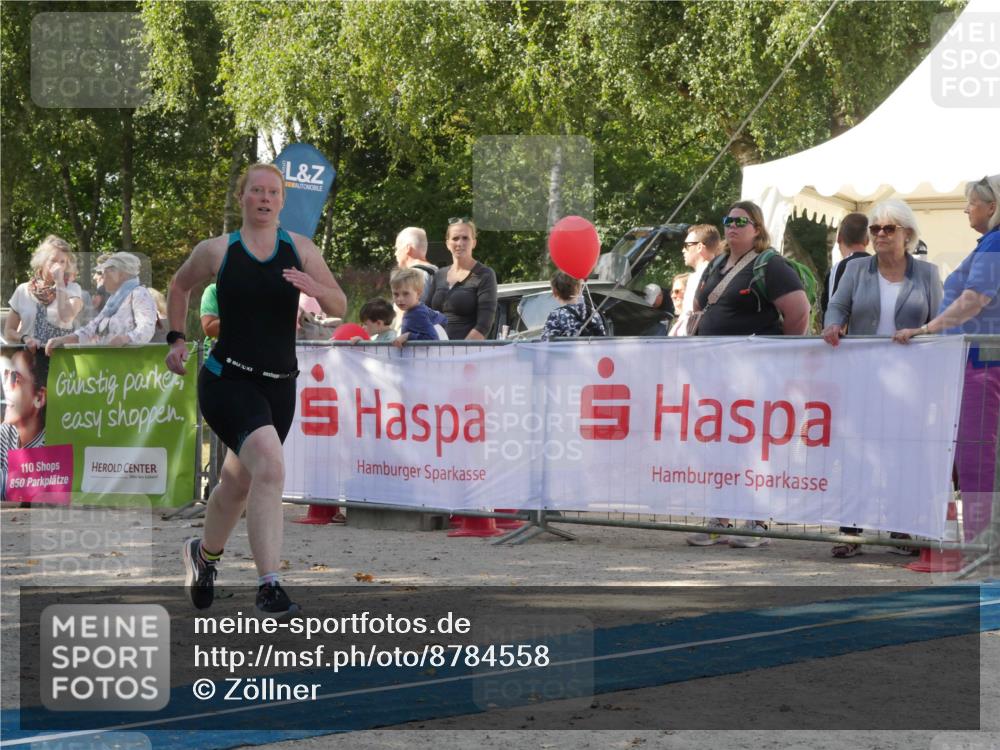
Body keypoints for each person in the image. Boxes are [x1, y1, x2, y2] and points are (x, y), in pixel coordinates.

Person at [165, 163, 346, 617]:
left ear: (283, 202)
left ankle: (203, 557)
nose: (265, 199)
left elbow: (340, 304)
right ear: (242, 197)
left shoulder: (300, 248)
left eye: (273, 193)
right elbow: (179, 285)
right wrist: (176, 339)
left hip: (280, 386)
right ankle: (269, 585)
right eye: (256, 191)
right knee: (269, 465)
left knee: (237, 482)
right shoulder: (217, 250)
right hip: (228, 379)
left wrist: (316, 288)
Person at [687, 201, 810, 549]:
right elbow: (700, 307)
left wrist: (778, 354)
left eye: (742, 221)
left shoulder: (771, 265)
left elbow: (799, 310)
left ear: (757, 228)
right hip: (716, 374)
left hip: (756, 375)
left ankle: (756, 522)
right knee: (719, 446)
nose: (733, 226)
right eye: (729, 220)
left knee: (754, 447)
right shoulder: (715, 266)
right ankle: (719, 520)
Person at [894, 174, 1000, 546]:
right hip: (979, 360)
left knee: (976, 452)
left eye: (972, 202)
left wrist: (928, 328)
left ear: (992, 206)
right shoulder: (989, 244)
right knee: (975, 452)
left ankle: (981, 540)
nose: (966, 208)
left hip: (982, 363)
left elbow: (974, 300)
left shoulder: (995, 243)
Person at [822, 200, 942, 348]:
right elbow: (837, 306)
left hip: (912, 364)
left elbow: (939, 323)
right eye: (875, 229)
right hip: (862, 362)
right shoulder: (855, 268)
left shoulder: (929, 273)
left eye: (889, 229)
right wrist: (833, 324)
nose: (880, 233)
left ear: (908, 233)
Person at [44, 252, 158, 355]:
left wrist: (127, 338)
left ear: (122, 275)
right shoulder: (114, 300)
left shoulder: (139, 293)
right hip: (109, 366)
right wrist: (62, 339)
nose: (102, 277)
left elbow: (147, 328)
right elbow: (90, 329)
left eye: (106, 272)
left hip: (131, 368)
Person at [4, 235, 84, 350]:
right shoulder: (23, 290)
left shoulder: (73, 289)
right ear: (42, 261)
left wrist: (60, 283)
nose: (58, 266)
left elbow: (66, 317)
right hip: (29, 360)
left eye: (63, 262)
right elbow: (9, 331)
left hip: (61, 359)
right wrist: (25, 338)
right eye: (53, 260)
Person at [426, 218, 497, 340]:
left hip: (465, 354)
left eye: (465, 238)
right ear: (447, 243)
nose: (460, 243)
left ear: (474, 242)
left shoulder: (485, 275)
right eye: (455, 238)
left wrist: (459, 352)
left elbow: (483, 326)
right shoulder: (439, 274)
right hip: (435, 352)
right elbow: (425, 314)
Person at [0, 348, 48, 502]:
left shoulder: (51, 441)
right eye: (5, 376)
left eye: (16, 378)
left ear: (39, 398)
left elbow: (37, 492)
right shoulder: (6, 432)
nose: (6, 387)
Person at [671, 224, 722, 337]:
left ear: (699, 247)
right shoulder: (696, 277)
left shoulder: (714, 275)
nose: (683, 250)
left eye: (687, 245)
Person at [820, 212, 870, 319]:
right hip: (879, 334)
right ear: (867, 240)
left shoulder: (840, 268)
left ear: (839, 238)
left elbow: (832, 309)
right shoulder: (880, 265)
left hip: (848, 334)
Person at [541, 271, 607, 340]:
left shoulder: (556, 315)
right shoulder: (593, 313)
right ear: (579, 289)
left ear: (555, 293)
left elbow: (546, 344)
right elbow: (602, 340)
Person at [391, 268, 448, 345]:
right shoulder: (415, 310)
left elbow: (432, 339)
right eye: (396, 294)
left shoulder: (418, 313)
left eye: (406, 294)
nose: (400, 299)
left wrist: (408, 336)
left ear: (418, 294)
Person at [394, 227, 437, 304]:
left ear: (408, 248)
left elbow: (405, 313)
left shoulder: (411, 276)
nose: (395, 253)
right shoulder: (438, 272)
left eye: (397, 248)